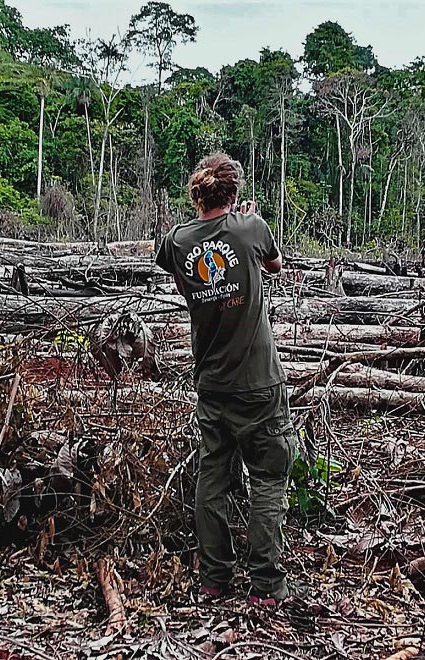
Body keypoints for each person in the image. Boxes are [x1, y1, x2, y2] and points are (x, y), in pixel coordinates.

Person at [155, 152, 295, 606]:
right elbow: (275, 266)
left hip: (212, 384)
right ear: (233, 195)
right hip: (259, 384)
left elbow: (182, 283)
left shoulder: (177, 241)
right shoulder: (248, 228)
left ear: (196, 195)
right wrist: (243, 229)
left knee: (212, 480)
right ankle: (266, 585)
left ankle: (214, 579)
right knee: (268, 479)